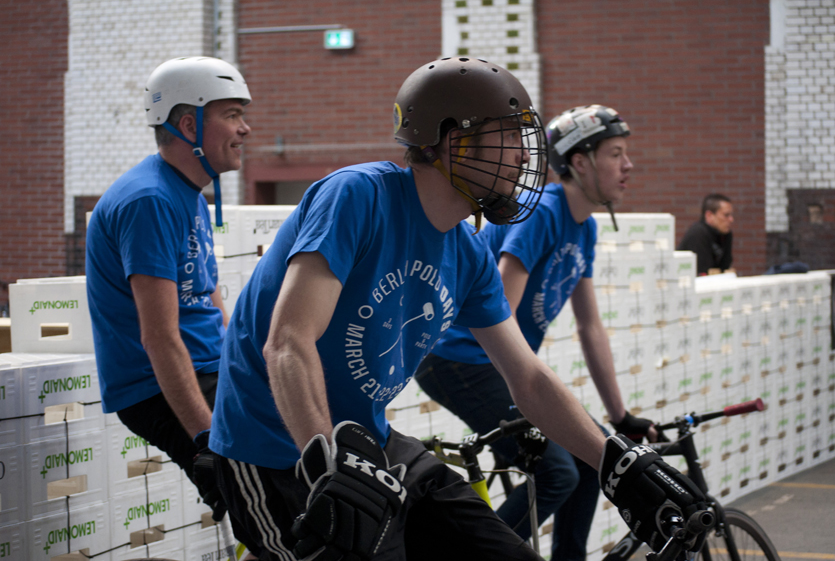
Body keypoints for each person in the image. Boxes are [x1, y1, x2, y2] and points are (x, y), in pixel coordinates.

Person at [208, 58, 706, 561]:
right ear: (455, 141)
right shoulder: (358, 196)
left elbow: (528, 378)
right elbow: (288, 342)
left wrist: (615, 463)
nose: (523, 156)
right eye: (508, 136)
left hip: (372, 447)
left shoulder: (469, 254)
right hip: (273, 454)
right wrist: (327, 462)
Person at [414, 105, 661, 561]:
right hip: (459, 359)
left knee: (595, 459)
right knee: (557, 474)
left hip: (489, 364)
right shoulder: (542, 213)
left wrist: (619, 416)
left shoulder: (584, 228)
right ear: (580, 161)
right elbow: (500, 314)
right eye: (616, 154)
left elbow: (590, 327)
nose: (628, 165)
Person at [86, 56, 251, 521]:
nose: (245, 129)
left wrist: (242, 362)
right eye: (232, 115)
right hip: (161, 385)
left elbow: (207, 292)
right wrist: (207, 439)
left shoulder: (186, 192)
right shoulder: (150, 200)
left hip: (209, 366)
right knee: (268, 499)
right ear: (189, 125)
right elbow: (159, 335)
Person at [677, 193, 734, 275]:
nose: (731, 219)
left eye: (731, 215)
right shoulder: (698, 233)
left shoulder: (725, 234)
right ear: (709, 215)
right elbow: (702, 272)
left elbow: (725, 267)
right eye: (726, 215)